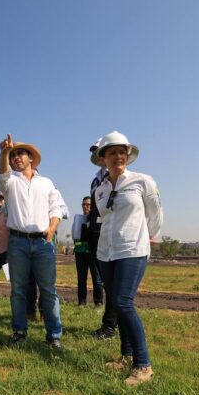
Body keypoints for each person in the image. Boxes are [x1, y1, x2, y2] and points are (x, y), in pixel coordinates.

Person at [94, 131, 162, 385]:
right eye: (112, 153)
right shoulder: (100, 190)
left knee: (123, 303)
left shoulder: (142, 181)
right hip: (106, 252)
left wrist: (151, 235)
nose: (118, 156)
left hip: (132, 249)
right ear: (103, 159)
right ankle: (126, 354)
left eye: (122, 152)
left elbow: (155, 212)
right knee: (116, 303)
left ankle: (143, 365)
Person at [0, 134, 66, 349]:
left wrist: (52, 227)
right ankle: (19, 331)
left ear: (30, 158)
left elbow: (56, 208)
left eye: (21, 153)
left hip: (43, 243)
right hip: (17, 242)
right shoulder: (10, 182)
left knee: (48, 290)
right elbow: (1, 173)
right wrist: (3, 152)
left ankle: (54, 334)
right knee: (18, 289)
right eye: (13, 154)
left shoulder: (46, 183)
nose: (16, 157)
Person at [87, 140, 114, 339]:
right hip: (96, 232)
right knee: (101, 275)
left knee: (111, 280)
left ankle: (111, 324)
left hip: (112, 231)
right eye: (95, 152)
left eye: (100, 150)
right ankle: (109, 322)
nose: (98, 155)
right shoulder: (95, 180)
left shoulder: (117, 176)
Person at [71, 196, 93, 306]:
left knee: (97, 279)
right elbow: (73, 235)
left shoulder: (95, 219)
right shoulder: (78, 219)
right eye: (84, 204)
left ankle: (98, 302)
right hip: (80, 252)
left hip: (93, 253)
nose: (86, 206)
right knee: (81, 278)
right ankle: (81, 302)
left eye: (88, 204)